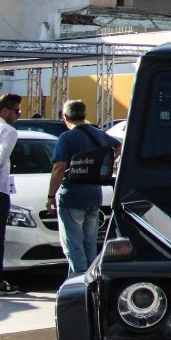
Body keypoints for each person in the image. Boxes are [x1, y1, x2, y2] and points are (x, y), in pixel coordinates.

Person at [46, 99, 119, 277]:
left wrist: (50, 196)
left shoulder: (67, 137)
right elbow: (119, 146)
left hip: (72, 196)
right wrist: (106, 163)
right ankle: (91, 279)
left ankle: (79, 281)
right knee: (89, 243)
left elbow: (59, 168)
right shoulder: (97, 133)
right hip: (94, 195)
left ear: (65, 116)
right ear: (85, 114)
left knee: (73, 244)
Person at [0, 93, 22, 295]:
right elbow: (0, 160)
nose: (18, 115)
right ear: (5, 111)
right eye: (17, 111)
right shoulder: (8, 130)